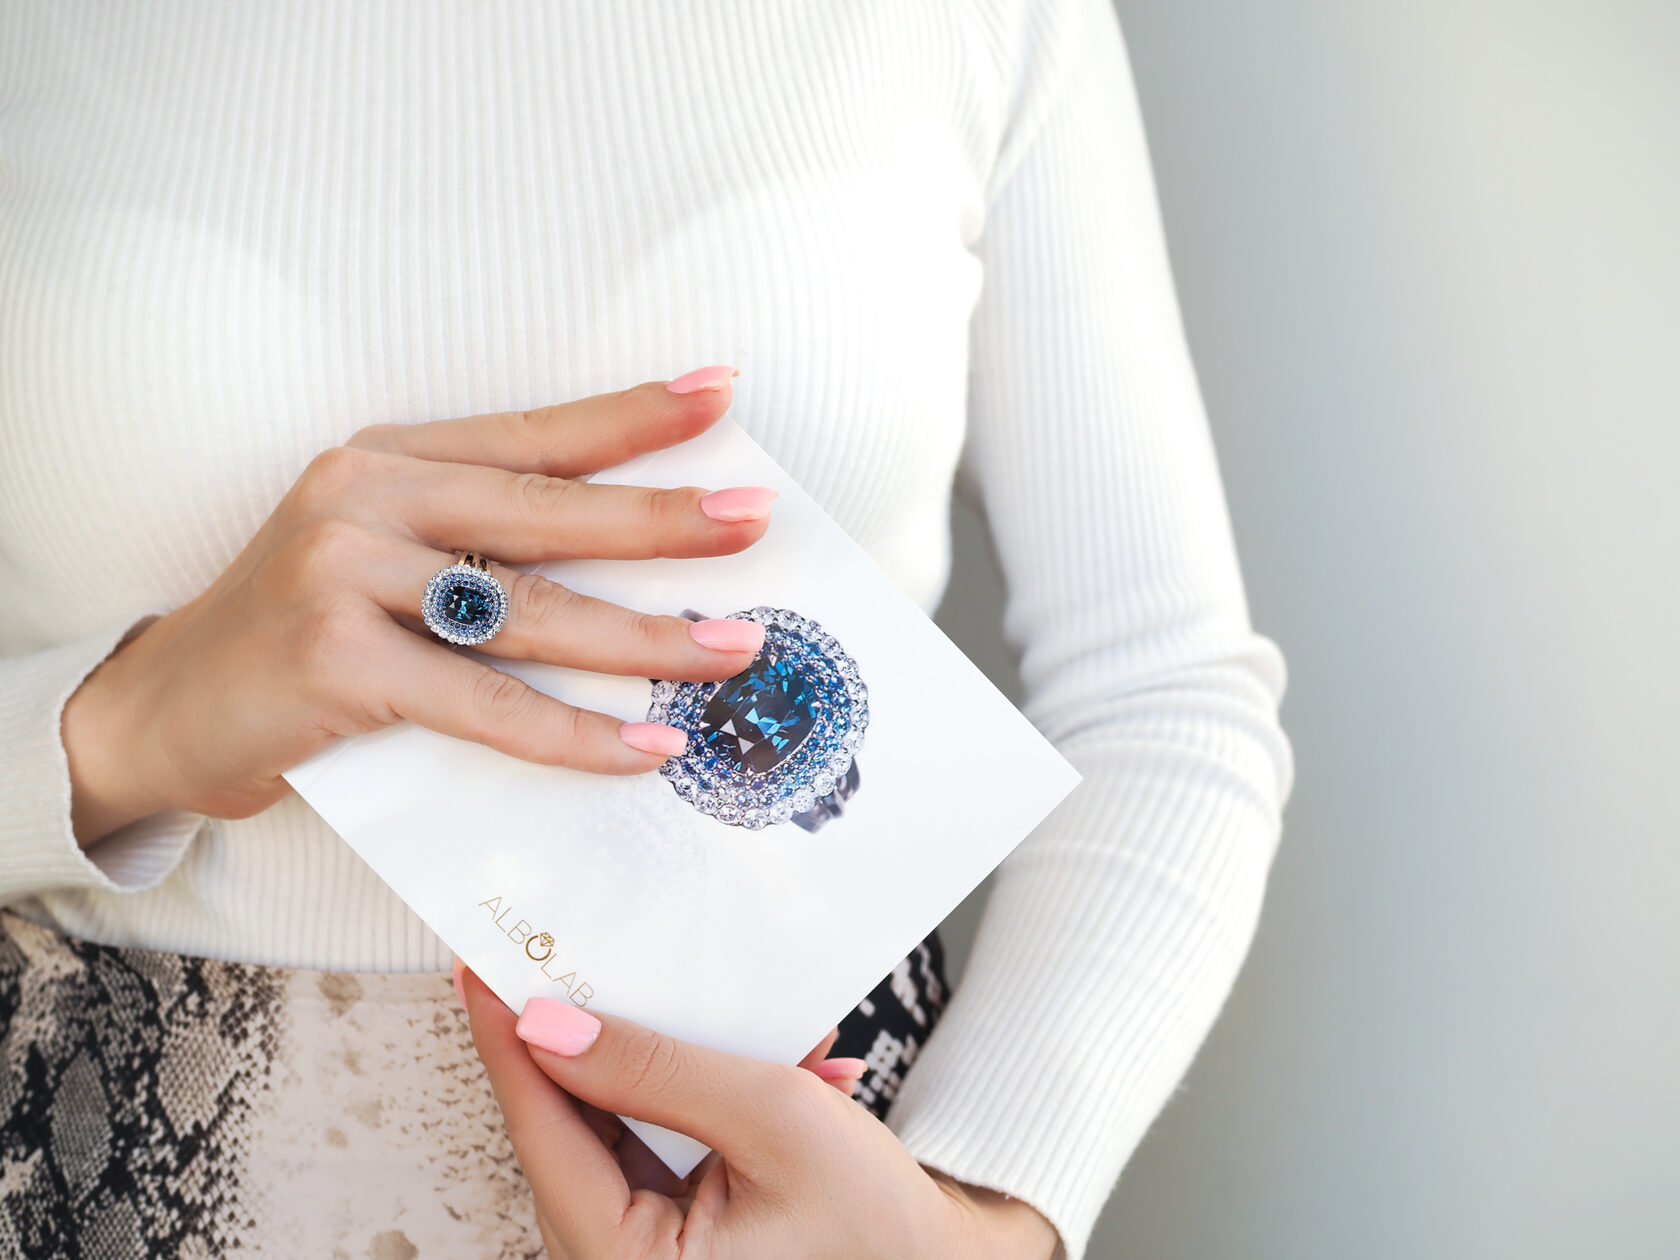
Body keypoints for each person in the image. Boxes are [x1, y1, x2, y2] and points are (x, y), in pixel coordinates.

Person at [0, 0, 1293, 1256]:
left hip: (813, 1189)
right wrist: (117, 726)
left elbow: (1158, 684)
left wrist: (982, 1218)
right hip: (100, 1165)